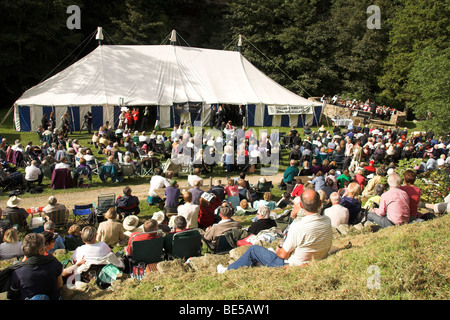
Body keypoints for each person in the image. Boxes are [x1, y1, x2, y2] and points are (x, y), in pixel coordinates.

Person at [217, 189, 333, 273]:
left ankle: (228, 270)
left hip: (291, 265)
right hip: (315, 257)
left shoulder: (298, 226)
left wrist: (278, 250)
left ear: (301, 205)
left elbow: (283, 254)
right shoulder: (327, 220)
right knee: (269, 250)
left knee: (254, 250)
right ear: (319, 203)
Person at [6, 233, 63, 300]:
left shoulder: (17, 271)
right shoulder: (54, 263)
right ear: (40, 251)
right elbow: (60, 285)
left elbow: (12, 294)